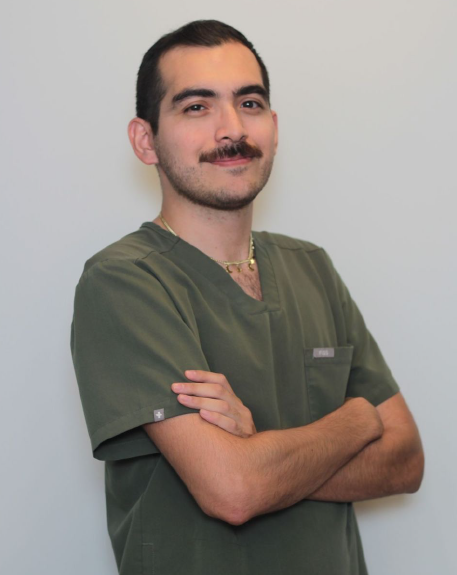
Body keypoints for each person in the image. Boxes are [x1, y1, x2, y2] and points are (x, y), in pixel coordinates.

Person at [71, 19, 424, 575]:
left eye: (250, 103)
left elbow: (406, 461)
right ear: (145, 140)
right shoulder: (124, 282)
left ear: (274, 128)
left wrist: (260, 447)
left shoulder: (311, 266)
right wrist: (357, 420)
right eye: (196, 107)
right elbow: (234, 490)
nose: (232, 129)